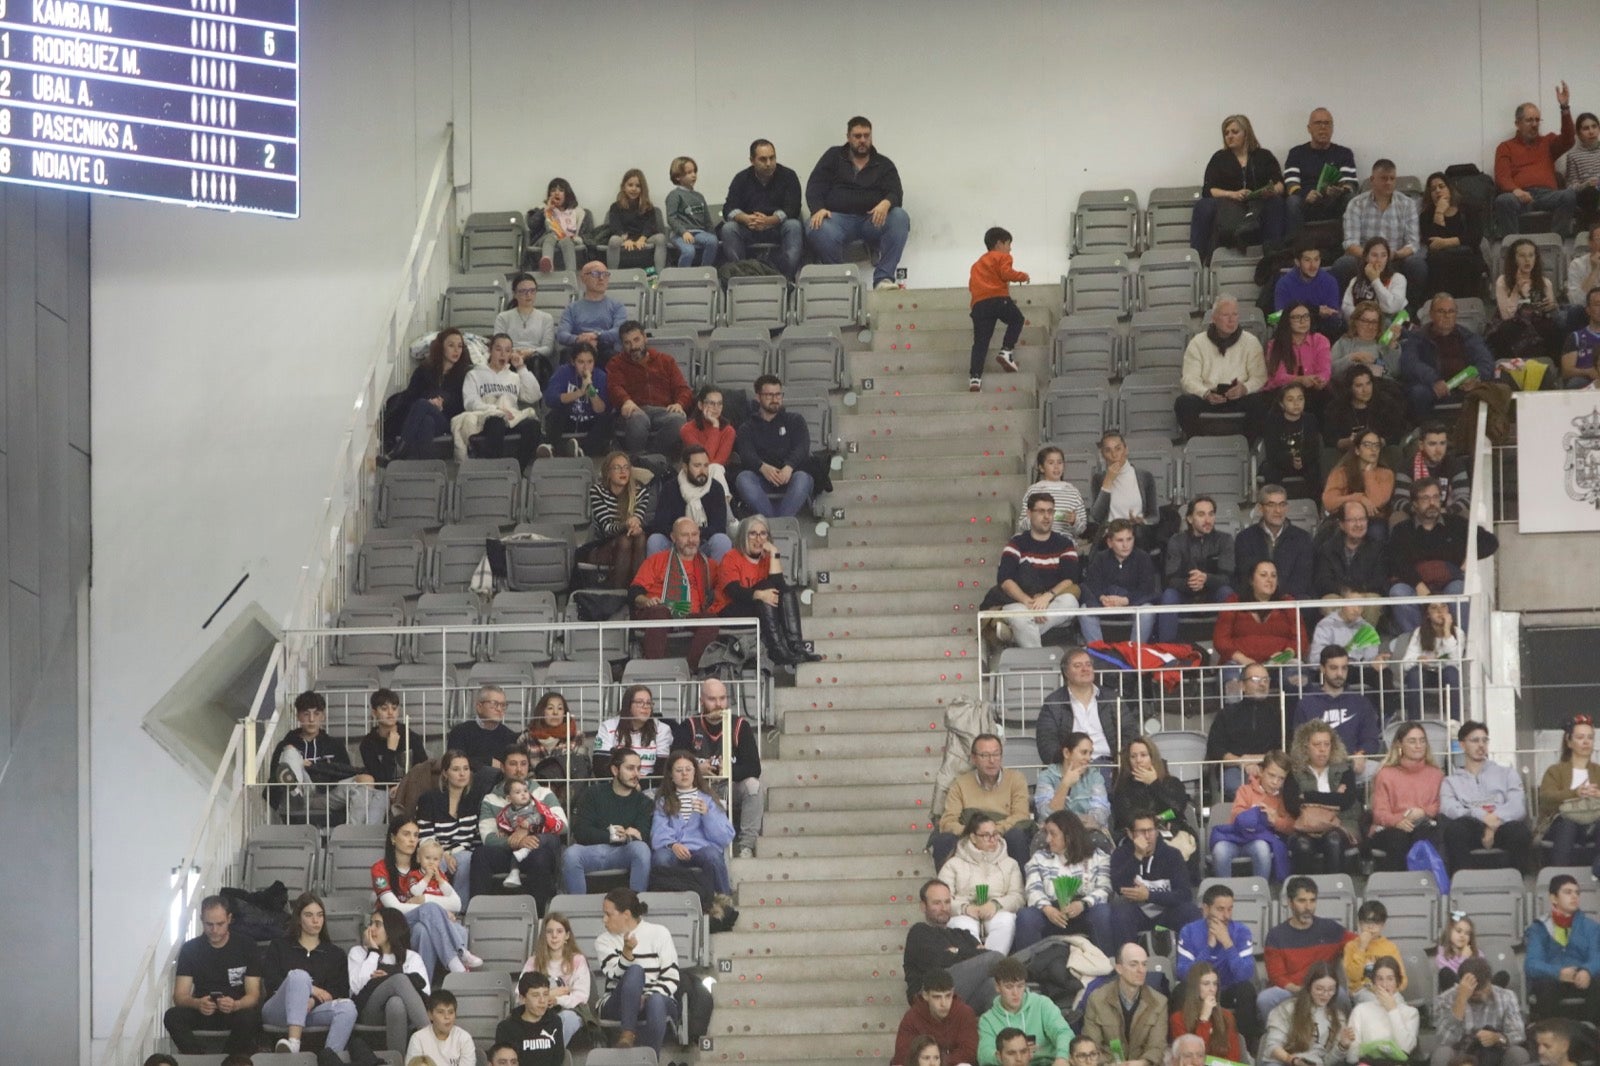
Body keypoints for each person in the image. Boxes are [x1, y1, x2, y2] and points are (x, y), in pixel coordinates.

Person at [805, 116, 911, 290]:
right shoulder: (833, 156)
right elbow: (815, 186)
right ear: (848, 137)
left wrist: (887, 202)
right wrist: (818, 209)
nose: (863, 140)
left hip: (872, 221)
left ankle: (883, 279)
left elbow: (896, 192)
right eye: (857, 136)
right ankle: (841, 281)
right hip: (838, 221)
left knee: (900, 217)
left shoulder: (883, 164)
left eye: (866, 136)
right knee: (815, 225)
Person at [374, 818, 480, 977]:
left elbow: (456, 904)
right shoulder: (380, 868)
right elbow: (394, 908)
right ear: (393, 838)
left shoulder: (424, 864)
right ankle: (456, 960)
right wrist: (436, 910)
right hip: (393, 925)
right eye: (406, 834)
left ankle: (426, 987)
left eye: (416, 835)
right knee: (430, 911)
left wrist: (427, 901)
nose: (412, 840)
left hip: (420, 924)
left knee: (425, 930)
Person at [713, 513, 820, 669]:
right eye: (753, 534)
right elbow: (734, 592)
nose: (759, 539)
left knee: (787, 591)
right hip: (729, 608)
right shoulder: (731, 557)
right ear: (744, 536)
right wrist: (759, 595)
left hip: (757, 606)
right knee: (765, 590)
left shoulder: (766, 559)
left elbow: (781, 589)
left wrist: (775, 554)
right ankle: (776, 650)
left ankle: (796, 646)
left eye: (763, 534)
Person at [674, 677, 765, 858]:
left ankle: (745, 846)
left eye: (722, 698)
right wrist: (695, 770)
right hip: (698, 788)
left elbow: (754, 767)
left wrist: (727, 772)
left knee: (754, 786)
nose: (718, 704)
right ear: (702, 701)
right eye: (712, 699)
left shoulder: (740, 725)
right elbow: (674, 761)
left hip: (729, 784)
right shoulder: (689, 726)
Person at [260, 892, 358, 1054]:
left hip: (311, 1011)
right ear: (298, 918)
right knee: (299, 976)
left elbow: (339, 991)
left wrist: (313, 1001)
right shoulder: (279, 946)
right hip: (279, 1010)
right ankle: (294, 1044)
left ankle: (330, 1059)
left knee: (348, 1008)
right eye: (309, 915)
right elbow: (272, 983)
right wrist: (311, 989)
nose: (315, 920)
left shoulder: (335, 953)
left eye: (320, 915)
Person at [164, 896, 264, 1054]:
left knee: (251, 1017)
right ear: (201, 920)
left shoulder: (246, 946)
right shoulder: (191, 949)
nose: (214, 930)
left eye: (220, 924)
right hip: (203, 1011)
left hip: (235, 1011)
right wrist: (197, 1003)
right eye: (209, 924)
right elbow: (179, 996)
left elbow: (253, 995)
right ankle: (197, 1059)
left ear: (229, 919)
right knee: (172, 1016)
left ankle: (228, 1060)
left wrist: (236, 1004)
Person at [477, 749, 567, 911]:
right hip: (508, 851)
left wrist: (527, 830)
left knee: (541, 855)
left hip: (535, 852)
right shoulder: (491, 798)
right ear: (503, 768)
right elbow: (488, 838)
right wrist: (517, 841)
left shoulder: (543, 793)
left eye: (523, 764)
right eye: (513, 764)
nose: (519, 769)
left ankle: (538, 915)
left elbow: (563, 827)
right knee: (480, 854)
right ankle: (479, 912)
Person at [989, 492, 1080, 649]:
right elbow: (1005, 580)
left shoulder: (1065, 544)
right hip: (1020, 602)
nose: (1047, 516)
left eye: (1050, 511)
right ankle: (1039, 665)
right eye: (1041, 511)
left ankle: (1013, 635)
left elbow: (1070, 578)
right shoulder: (1016, 543)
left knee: (1070, 602)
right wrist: (1029, 603)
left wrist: (1046, 597)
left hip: (1052, 603)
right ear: (1029, 513)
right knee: (1020, 617)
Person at [1016, 809, 1115, 952]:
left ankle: (1108, 966)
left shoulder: (1098, 857)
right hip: (1050, 912)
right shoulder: (1039, 858)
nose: (1048, 839)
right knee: (1026, 916)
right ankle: (1027, 968)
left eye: (1053, 834)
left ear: (1069, 836)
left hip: (1084, 910)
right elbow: (1033, 889)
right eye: (1047, 834)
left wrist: (1083, 904)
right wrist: (1047, 909)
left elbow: (1105, 888)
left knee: (1102, 912)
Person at [1190, 114, 1285, 263]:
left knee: (1276, 203)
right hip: (1229, 206)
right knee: (1203, 205)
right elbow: (1208, 190)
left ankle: (1273, 258)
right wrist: (1232, 194)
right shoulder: (1219, 158)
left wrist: (1272, 191)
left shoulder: (1263, 156)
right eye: (1226, 133)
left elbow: (1280, 183)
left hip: (1258, 205)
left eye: (1235, 132)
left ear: (1246, 133)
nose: (1230, 136)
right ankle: (1197, 260)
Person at [596, 887, 680, 1052]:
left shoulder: (659, 933)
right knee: (635, 970)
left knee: (656, 1001)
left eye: (608, 914)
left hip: (655, 1001)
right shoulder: (603, 941)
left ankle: (650, 1059)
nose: (604, 920)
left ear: (626, 914)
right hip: (618, 1002)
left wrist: (647, 996)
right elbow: (612, 974)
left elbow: (671, 976)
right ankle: (627, 1034)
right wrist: (627, 953)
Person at [1440, 723, 1532, 872]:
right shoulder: (1451, 781)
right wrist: (1483, 817)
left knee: (1520, 832)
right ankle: (1463, 886)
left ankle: (1516, 885)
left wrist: (1494, 822)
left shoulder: (1507, 773)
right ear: (1462, 745)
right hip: (1471, 826)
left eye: (1484, 740)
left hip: (1502, 825)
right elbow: (1449, 808)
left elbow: (1518, 806)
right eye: (1475, 741)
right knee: (1454, 831)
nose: (1481, 745)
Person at [1399, 293, 1504, 423]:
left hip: (1463, 387)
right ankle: (1424, 434)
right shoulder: (1417, 337)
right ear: (1431, 315)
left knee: (1497, 387)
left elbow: (1486, 362)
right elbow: (1409, 363)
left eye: (1451, 311)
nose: (1447, 316)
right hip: (1432, 388)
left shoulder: (1468, 337)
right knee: (1417, 393)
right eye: (1441, 311)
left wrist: (1476, 377)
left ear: (1456, 314)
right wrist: (1434, 380)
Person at [562, 744, 653, 894]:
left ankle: (636, 905)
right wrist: (615, 835)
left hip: (624, 852)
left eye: (639, 768)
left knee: (641, 849)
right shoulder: (593, 793)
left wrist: (631, 837)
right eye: (630, 768)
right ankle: (577, 908)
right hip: (592, 851)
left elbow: (642, 835)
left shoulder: (644, 802)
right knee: (571, 854)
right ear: (615, 770)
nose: (636, 774)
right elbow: (581, 831)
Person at [630, 516, 720, 669]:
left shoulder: (708, 565)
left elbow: (727, 586)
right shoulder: (657, 560)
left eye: (695, 535)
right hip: (659, 613)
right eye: (685, 535)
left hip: (691, 616)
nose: (691, 540)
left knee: (712, 619)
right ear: (673, 537)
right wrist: (646, 601)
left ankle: (690, 670)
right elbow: (634, 592)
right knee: (660, 611)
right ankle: (654, 670)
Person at [934, 733, 1034, 869]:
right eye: (985, 755)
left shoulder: (1016, 779)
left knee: (1017, 836)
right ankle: (945, 889)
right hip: (970, 837)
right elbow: (947, 822)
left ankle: (1022, 887)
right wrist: (975, 835)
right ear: (974, 758)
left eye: (996, 754)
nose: (992, 760)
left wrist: (991, 832)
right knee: (943, 840)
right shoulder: (960, 784)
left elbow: (1021, 816)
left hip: (1003, 835)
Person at [1176, 888, 1261, 1048]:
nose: (1227, 915)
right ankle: (1181, 1048)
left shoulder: (1241, 931)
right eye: (1220, 909)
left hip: (1228, 991)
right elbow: (1183, 974)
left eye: (1230, 909)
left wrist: (1228, 944)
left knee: (1246, 989)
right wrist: (1208, 947)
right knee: (1180, 990)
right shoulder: (1189, 931)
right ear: (1206, 909)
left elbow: (1245, 974)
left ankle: (1247, 1049)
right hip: (1198, 993)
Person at [1035, 647, 1139, 776]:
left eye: (1088, 664)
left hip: (1109, 765)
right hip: (1070, 767)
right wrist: (1065, 764)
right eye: (1078, 666)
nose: (1085, 669)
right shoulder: (1053, 702)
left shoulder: (1111, 698)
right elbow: (1046, 743)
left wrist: (1120, 760)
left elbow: (1130, 731)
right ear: (1066, 672)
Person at [1260, 878, 1356, 1018]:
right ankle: (1271, 1034)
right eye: (1302, 901)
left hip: (1323, 987)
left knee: (1340, 994)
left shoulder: (1330, 929)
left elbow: (1356, 943)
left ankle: (1344, 1033)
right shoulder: (1276, 935)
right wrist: (1302, 990)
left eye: (1312, 900)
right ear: (1290, 902)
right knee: (1265, 999)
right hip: (1291, 990)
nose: (1308, 907)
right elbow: (1277, 976)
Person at [1213, 560, 1309, 698]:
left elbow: (1301, 639)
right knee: (1231, 682)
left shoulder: (1287, 602)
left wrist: (1285, 655)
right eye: (1263, 575)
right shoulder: (1233, 601)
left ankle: (1297, 719)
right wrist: (1245, 660)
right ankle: (1233, 718)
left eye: (1273, 576)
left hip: (1280, 665)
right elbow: (1221, 640)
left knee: (1299, 679)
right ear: (1252, 580)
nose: (1269, 580)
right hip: (1240, 664)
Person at [652, 749, 737, 904]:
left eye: (688, 769)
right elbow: (658, 832)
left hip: (702, 849)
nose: (684, 774)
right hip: (674, 851)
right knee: (660, 857)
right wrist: (672, 844)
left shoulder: (709, 799)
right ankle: (665, 902)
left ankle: (724, 902)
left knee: (712, 855)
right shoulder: (663, 801)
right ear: (671, 775)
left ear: (694, 772)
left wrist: (707, 815)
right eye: (678, 770)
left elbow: (725, 836)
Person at [1175, 295, 1267, 437]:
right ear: (1214, 318)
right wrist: (1205, 393)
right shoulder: (1198, 343)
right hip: (1210, 397)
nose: (1232, 320)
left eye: (1235, 314)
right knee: (1183, 403)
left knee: (1260, 402)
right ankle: (1200, 442)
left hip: (1239, 397)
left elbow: (1260, 377)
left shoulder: (1250, 342)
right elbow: (1189, 379)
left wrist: (1244, 389)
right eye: (1225, 315)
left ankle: (1247, 446)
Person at [1109, 809, 1202, 948]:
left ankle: (1194, 963)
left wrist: (1149, 895)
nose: (1147, 836)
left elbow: (1184, 895)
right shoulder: (1120, 854)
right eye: (1141, 831)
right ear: (1130, 833)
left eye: (1151, 830)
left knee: (1190, 911)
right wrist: (1137, 856)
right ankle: (1128, 961)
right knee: (1121, 913)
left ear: (1157, 831)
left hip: (1167, 912)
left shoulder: (1173, 855)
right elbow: (1120, 887)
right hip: (1137, 913)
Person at [905, 879, 1002, 1014]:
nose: (944, 908)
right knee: (995, 959)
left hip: (963, 996)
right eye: (937, 903)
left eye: (947, 902)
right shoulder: (919, 932)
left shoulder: (962, 934)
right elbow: (939, 963)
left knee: (994, 986)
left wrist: (956, 952)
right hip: (929, 997)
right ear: (923, 906)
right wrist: (971, 953)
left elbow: (982, 954)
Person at [1493, 82, 1577, 238]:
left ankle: (1556, 242)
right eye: (1529, 120)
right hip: (1520, 196)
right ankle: (1514, 246)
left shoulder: (1548, 142)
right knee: (1503, 200)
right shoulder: (1505, 147)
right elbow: (1502, 177)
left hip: (1548, 195)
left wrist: (1564, 108)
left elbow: (1569, 140)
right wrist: (1516, 190)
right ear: (1517, 124)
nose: (1535, 124)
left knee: (1569, 195)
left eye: (1537, 120)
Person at [1387, 479, 1471, 632]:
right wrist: (1418, 584)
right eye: (1425, 498)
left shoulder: (1456, 524)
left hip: (1448, 581)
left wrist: (1470, 558)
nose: (1432, 503)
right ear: (1414, 504)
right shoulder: (1402, 530)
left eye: (1436, 497)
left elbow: (1490, 542)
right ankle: (1417, 642)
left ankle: (1460, 642)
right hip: (1414, 583)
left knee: (1459, 589)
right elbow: (1397, 562)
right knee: (1398, 592)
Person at [1333, 161, 1425, 298]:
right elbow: (1350, 243)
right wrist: (1373, 257)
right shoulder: (1356, 203)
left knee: (1417, 264)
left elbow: (1413, 243)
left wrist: (1394, 255)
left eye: (1392, 179)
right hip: (1364, 258)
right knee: (1343, 264)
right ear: (1372, 180)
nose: (1388, 182)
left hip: (1395, 258)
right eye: (1383, 178)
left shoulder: (1407, 204)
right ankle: (1349, 312)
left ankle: (1412, 310)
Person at [1291, 646, 1382, 783]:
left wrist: (1361, 754)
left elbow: (1371, 738)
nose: (1339, 674)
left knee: (1382, 771)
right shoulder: (1307, 703)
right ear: (1322, 669)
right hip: (1318, 767)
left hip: (1352, 764)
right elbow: (1300, 742)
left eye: (1344, 668)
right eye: (1333, 668)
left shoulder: (1360, 702)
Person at [940, 814, 1025, 957]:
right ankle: (976, 965)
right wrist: (965, 908)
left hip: (997, 911)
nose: (992, 840)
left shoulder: (1010, 864)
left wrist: (996, 904)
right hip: (964, 912)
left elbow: (1018, 896)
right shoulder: (953, 864)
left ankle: (991, 965)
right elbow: (943, 897)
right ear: (973, 837)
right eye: (986, 835)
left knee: (1006, 921)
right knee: (963, 926)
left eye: (995, 834)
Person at [349, 907, 430, 1055]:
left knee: (396, 1003)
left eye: (377, 924)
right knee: (399, 979)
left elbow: (424, 992)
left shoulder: (411, 957)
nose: (371, 929)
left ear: (392, 928)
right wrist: (373, 952)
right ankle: (432, 1043)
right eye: (370, 924)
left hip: (404, 1016)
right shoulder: (358, 952)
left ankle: (397, 1061)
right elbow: (356, 988)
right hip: (369, 1012)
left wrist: (386, 977)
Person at [1155, 497, 1235, 644]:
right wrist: (1191, 582)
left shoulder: (1225, 539)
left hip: (1212, 594)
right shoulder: (1176, 540)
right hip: (1185, 595)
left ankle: (1230, 646)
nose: (1208, 519)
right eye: (1201, 514)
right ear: (1190, 518)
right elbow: (1169, 579)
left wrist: (1206, 578)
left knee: (1227, 593)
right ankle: (1167, 650)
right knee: (1169, 596)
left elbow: (1228, 577)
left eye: (1211, 514)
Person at [456, 332, 544, 466]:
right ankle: (494, 468)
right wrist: (496, 410)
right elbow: (470, 402)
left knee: (533, 425)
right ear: (490, 351)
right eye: (498, 349)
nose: (503, 354)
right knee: (496, 422)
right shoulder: (474, 374)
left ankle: (517, 469)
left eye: (507, 350)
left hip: (511, 418)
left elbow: (534, 395)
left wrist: (521, 367)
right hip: (485, 417)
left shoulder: (514, 376)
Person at [607, 320, 693, 458]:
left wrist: (679, 404)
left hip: (663, 411)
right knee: (638, 419)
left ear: (645, 338)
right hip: (635, 410)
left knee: (679, 420)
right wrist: (625, 401)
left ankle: (649, 459)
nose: (633, 346)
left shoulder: (665, 361)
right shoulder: (616, 363)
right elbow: (614, 387)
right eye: (627, 343)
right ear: (622, 345)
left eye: (636, 340)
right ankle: (639, 458)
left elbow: (683, 388)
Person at [720, 138, 804, 278]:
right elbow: (728, 208)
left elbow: (793, 207)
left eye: (772, 158)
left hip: (777, 226)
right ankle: (742, 274)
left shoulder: (788, 176)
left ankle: (786, 279)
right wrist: (746, 218)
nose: (769, 163)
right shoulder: (741, 178)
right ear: (752, 160)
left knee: (794, 225)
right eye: (763, 159)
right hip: (749, 227)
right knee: (728, 229)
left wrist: (770, 220)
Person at [734, 374, 814, 518]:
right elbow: (746, 454)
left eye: (778, 394)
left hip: (791, 476)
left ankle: (776, 524)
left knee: (803, 478)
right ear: (758, 397)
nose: (775, 399)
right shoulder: (747, 427)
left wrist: (789, 466)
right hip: (761, 478)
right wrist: (762, 467)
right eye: (769, 395)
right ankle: (774, 522)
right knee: (743, 479)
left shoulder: (795, 420)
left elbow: (802, 446)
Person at [1285, 721, 1360, 875]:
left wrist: (1308, 796)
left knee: (1333, 840)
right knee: (1302, 844)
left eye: (1327, 744)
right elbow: (1292, 805)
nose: (1322, 750)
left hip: (1342, 824)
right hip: (1306, 827)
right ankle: (1304, 893)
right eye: (1317, 744)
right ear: (1305, 747)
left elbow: (1346, 802)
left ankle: (1336, 891)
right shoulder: (1295, 772)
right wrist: (1333, 798)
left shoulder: (1344, 769)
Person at [1368, 723, 1444, 872]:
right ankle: (1399, 888)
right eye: (1412, 741)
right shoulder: (1385, 774)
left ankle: (1424, 885)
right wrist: (1398, 821)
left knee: (1423, 835)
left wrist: (1423, 812)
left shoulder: (1437, 774)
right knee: (1398, 838)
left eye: (1422, 741)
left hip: (1424, 825)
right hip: (1390, 828)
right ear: (1399, 744)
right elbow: (1379, 813)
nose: (1418, 745)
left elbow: (1441, 804)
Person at [386, 328, 472, 461]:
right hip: (424, 416)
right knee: (427, 422)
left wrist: (443, 403)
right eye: (451, 345)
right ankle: (427, 470)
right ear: (441, 347)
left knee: (422, 405)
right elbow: (410, 396)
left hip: (448, 419)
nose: (456, 350)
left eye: (460, 346)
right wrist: (430, 401)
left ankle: (399, 451)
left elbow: (463, 405)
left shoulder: (465, 374)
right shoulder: (424, 370)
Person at [1206, 665, 1289, 799]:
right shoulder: (1227, 714)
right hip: (1236, 767)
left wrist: (1258, 761)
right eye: (1256, 679)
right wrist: (1242, 762)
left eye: (1266, 680)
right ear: (1242, 685)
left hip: (1271, 767)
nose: (1262, 684)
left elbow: (1285, 747)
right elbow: (1215, 749)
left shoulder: (1279, 714)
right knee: (1234, 785)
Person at [1525, 874, 1600, 1021]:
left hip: (1583, 979)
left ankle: (1592, 1036)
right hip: (1553, 981)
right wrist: (1558, 972)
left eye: (1577, 893)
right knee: (1545, 985)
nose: (1574, 896)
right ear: (1553, 898)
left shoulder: (1591, 927)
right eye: (1567, 892)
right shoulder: (1540, 928)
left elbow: (1596, 957)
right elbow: (1531, 964)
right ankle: (1551, 1036)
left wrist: (1587, 970)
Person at [977, 956, 1077, 1066]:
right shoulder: (988, 1020)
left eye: (1020, 986)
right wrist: (1012, 1054)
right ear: (997, 987)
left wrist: (1062, 1058)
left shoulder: (1042, 1004)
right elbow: (984, 1055)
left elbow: (1063, 1032)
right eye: (1009, 987)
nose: (1016, 993)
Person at [1431, 955, 1529, 1066]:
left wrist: (1498, 1038)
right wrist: (1461, 1000)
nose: (1478, 994)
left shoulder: (1506, 996)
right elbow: (1443, 1040)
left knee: (1519, 1054)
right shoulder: (1447, 998)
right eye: (1473, 991)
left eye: (1482, 988)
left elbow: (1518, 1034)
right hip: (1461, 1054)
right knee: (1441, 1055)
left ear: (1489, 981)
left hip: (1494, 1052)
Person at [1212, 750, 1294, 882]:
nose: (1275, 782)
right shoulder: (1245, 790)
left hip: (1257, 843)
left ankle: (1260, 891)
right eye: (1271, 775)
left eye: (1281, 778)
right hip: (1234, 839)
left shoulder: (1284, 797)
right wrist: (1255, 814)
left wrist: (1275, 820)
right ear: (1261, 771)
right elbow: (1236, 816)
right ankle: (1224, 894)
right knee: (1219, 850)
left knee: (1261, 849)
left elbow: (1291, 827)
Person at [1082, 943, 1168, 1066]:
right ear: (1119, 968)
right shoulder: (1097, 999)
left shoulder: (1159, 1002)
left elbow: (1157, 1047)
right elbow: (1091, 1046)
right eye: (1134, 964)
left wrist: (1141, 1063)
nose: (1141, 970)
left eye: (1144, 964)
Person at [968, 225, 1030, 390]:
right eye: (1008, 244)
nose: (1010, 249)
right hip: (998, 298)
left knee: (980, 343)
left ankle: (975, 378)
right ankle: (1006, 350)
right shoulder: (1002, 257)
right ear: (999, 244)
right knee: (1017, 319)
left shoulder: (977, 264)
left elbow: (971, 286)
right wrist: (1023, 276)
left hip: (979, 305)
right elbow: (1006, 273)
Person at [1077, 520, 1159, 645]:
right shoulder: (1100, 557)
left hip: (1133, 604)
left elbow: (1148, 589)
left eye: (1129, 539)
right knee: (1084, 611)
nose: (1126, 545)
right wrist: (1102, 598)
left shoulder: (1143, 558)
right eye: (1120, 540)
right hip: (1105, 604)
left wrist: (1126, 600)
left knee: (1148, 611)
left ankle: (1135, 652)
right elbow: (1091, 584)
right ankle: (1099, 652)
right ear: (1110, 542)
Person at [1111, 738, 1199, 853]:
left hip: (1171, 830)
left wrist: (1154, 784)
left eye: (1143, 755)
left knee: (1176, 850)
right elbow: (1124, 817)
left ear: (1153, 758)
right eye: (1133, 756)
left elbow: (1176, 810)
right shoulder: (1123, 786)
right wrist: (1151, 823)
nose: (1138, 760)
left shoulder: (1171, 782)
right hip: (1136, 833)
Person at [647, 444, 732, 563]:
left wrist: (694, 534)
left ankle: (718, 581)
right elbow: (660, 524)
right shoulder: (670, 488)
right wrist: (683, 535)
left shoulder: (716, 488)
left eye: (706, 466)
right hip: (676, 543)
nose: (702, 471)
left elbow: (719, 527)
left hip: (703, 543)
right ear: (685, 467)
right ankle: (657, 581)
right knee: (655, 540)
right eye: (697, 466)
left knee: (722, 540)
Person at [1537, 715, 1600, 868]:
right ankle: (1560, 877)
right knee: (1567, 823)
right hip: (1562, 823)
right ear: (1569, 741)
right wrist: (1575, 793)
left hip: (1593, 822)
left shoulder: (1598, 771)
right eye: (1580, 737)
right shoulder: (1555, 771)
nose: (1586, 742)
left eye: (1590, 738)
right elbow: (1546, 798)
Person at [1283, 109, 1359, 234]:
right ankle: (1297, 248)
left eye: (1327, 123)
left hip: (1334, 202)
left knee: (1350, 198)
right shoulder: (1296, 153)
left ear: (1332, 128)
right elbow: (1290, 183)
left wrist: (1341, 191)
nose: (1323, 127)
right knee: (1292, 201)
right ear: (1309, 128)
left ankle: (1349, 246)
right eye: (1318, 123)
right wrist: (1305, 195)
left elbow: (1351, 183)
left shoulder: (1344, 153)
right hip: (1306, 202)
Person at [1035, 732, 1115, 851]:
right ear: (1067, 753)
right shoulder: (1046, 776)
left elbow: (1100, 814)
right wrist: (1065, 785)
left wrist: (1070, 826)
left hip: (1087, 831)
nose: (1088, 758)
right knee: (1041, 840)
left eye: (1090, 753)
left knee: (1098, 840)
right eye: (1083, 752)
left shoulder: (1095, 777)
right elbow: (1046, 815)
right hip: (1053, 831)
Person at [1490, 237, 1565, 361]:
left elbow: (1549, 312)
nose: (1527, 260)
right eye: (1522, 256)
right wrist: (1516, 290)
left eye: (1531, 255)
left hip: (1537, 321)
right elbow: (1506, 316)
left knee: (1552, 328)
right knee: (1506, 330)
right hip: (1512, 323)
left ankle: (1551, 369)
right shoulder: (1502, 281)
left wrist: (1552, 306)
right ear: (1514, 259)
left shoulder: (1545, 282)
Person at [522, 914, 591, 1047]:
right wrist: (553, 993)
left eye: (559, 931)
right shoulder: (533, 962)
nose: (554, 936)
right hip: (538, 1010)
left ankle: (550, 1056)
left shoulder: (577, 960)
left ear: (567, 936)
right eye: (549, 931)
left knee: (566, 1018)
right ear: (544, 936)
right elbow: (520, 992)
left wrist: (557, 1000)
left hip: (569, 1011)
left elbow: (581, 996)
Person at [1235, 485, 1315, 600]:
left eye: (1282, 505)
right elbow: (1246, 576)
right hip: (1255, 601)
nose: (1278, 510)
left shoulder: (1302, 538)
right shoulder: (1245, 538)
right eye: (1271, 505)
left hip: (1290, 601)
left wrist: (1276, 599)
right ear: (1260, 508)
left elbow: (1302, 580)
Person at [1260, 961, 1347, 1066]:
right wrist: (1293, 1061)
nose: (1325, 994)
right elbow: (1272, 1046)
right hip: (1283, 1062)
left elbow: (1327, 1062)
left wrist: (1342, 1046)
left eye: (1330, 990)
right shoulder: (1288, 1009)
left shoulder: (1338, 1018)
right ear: (1309, 987)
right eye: (1319, 989)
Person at [586, 450, 650, 590]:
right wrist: (626, 525)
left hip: (630, 544)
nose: (623, 471)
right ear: (608, 472)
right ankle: (619, 593)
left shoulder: (640, 492)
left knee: (639, 537)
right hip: (602, 546)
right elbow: (607, 529)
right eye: (617, 468)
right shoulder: (597, 491)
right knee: (625, 540)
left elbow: (638, 518)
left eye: (626, 467)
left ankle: (636, 591)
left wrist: (635, 527)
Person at [1321, 365, 1408, 468]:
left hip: (1378, 451)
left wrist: (1377, 442)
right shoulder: (1337, 408)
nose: (1365, 390)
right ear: (1350, 388)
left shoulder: (1385, 403)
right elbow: (1330, 439)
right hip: (1348, 453)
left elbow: (1396, 434)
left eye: (1368, 384)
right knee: (1329, 455)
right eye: (1359, 386)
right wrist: (1348, 442)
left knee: (1394, 452)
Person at [1086, 430, 1160, 551]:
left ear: (1126, 450)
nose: (1114, 455)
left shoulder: (1145, 476)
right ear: (1103, 454)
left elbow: (1154, 516)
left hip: (1137, 532)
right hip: (1111, 532)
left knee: (1137, 535)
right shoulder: (1099, 479)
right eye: (1108, 450)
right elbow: (1097, 516)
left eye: (1118, 448)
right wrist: (1108, 482)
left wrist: (1142, 520)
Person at [1419, 173, 1487, 301]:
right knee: (1438, 261)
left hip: (1469, 256)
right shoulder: (1426, 216)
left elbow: (1475, 237)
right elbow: (1432, 243)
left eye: (1441, 186)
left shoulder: (1469, 208)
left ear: (1449, 188)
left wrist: (1445, 242)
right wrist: (1439, 214)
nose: (1438, 190)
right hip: (1441, 260)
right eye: (1433, 189)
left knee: (1469, 262)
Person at [895, 968, 980, 1066]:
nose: (944, 1003)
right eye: (937, 997)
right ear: (925, 996)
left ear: (953, 992)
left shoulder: (965, 1013)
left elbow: (969, 1052)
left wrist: (939, 1061)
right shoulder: (912, 1016)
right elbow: (903, 1055)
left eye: (948, 996)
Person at [540, 340, 611, 457]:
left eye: (590, 362)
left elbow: (601, 409)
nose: (585, 367)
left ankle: (583, 451)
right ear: (573, 362)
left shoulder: (600, 376)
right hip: (568, 420)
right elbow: (551, 399)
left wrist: (590, 388)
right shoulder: (563, 372)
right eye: (581, 362)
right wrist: (579, 392)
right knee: (557, 412)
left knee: (606, 419)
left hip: (589, 421)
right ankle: (549, 446)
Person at [1391, 422, 1472, 523]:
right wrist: (1421, 511)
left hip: (1446, 514)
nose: (1438, 450)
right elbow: (1399, 501)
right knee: (1397, 517)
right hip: (1416, 515)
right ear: (1421, 445)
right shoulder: (1406, 466)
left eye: (1442, 443)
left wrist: (1445, 511)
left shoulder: (1455, 464)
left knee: (1465, 514)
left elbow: (1465, 499)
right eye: (1432, 444)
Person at [1396, 601, 1465, 719]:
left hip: (1445, 673)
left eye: (1443, 606)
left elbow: (1455, 662)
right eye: (1434, 608)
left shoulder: (1458, 632)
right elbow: (1405, 664)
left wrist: (1447, 631)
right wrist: (1418, 660)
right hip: (1426, 673)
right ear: (1428, 614)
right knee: (1415, 674)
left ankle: (1455, 722)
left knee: (1452, 672)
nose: (1440, 611)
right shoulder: (1419, 632)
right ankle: (1415, 721)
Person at [1341, 956, 1416, 1063]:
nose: (1384, 985)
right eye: (1380, 979)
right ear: (1374, 982)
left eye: (1390, 979)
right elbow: (1352, 1056)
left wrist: (1392, 1010)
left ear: (1397, 982)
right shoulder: (1360, 1010)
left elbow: (1405, 1048)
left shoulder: (1411, 1013)